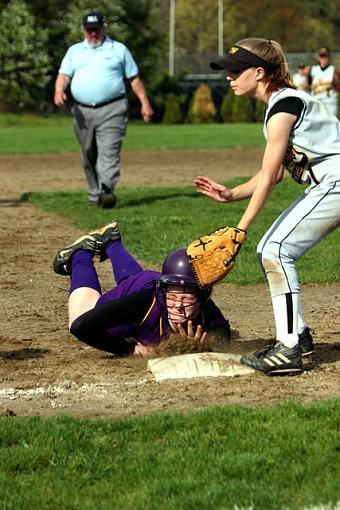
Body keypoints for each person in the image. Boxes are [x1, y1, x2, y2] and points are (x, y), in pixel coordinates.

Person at [195, 38, 340, 376]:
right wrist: (232, 194)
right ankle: (298, 336)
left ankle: (288, 348)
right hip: (330, 183)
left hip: (336, 182)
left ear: (259, 73)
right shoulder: (282, 103)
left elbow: (269, 176)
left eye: (235, 71)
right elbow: (271, 175)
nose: (229, 78)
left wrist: (241, 227)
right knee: (271, 250)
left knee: (274, 249)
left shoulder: (284, 106)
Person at [53, 221, 231, 357]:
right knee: (81, 314)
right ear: (165, 289)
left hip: (147, 281)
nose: (178, 305)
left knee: (133, 279)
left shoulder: (203, 305)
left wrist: (206, 344)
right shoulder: (144, 303)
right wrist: (129, 348)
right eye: (173, 297)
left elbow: (223, 332)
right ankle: (80, 253)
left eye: (185, 300)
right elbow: (80, 327)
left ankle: (111, 241)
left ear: (202, 298)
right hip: (139, 291)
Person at [54, 10, 153, 208]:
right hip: (82, 111)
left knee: (109, 150)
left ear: (103, 28)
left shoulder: (118, 49)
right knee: (88, 153)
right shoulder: (74, 51)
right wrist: (59, 90)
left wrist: (144, 102)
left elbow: (133, 78)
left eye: (96, 29)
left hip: (113, 108)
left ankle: (106, 190)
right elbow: (64, 75)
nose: (93, 34)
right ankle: (94, 194)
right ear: (83, 31)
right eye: (89, 30)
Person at [309, 47, 340, 116]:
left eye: (326, 56)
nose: (323, 58)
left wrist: (336, 85)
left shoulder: (334, 70)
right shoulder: (312, 69)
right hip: (316, 99)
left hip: (329, 101)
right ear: (318, 57)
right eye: (321, 56)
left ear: (329, 57)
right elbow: (307, 85)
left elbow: (338, 86)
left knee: (331, 122)